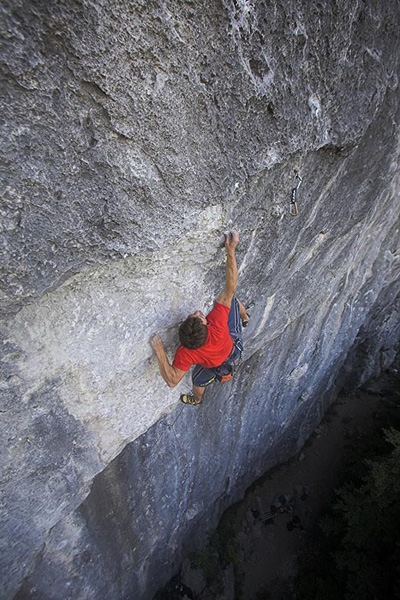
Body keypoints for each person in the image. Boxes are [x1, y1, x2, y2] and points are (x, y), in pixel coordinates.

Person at [150, 230, 249, 405]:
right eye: (199, 317)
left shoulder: (186, 353)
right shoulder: (217, 323)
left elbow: (172, 380)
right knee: (231, 298)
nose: (198, 312)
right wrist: (231, 251)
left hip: (213, 364)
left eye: (194, 315)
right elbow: (230, 287)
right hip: (234, 348)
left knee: (197, 382)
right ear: (206, 326)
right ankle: (244, 316)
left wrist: (160, 351)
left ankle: (196, 399)